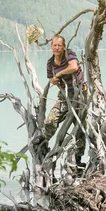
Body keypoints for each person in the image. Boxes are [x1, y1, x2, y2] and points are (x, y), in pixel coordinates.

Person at [43, 34, 87, 168]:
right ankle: (44, 148)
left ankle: (77, 160)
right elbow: (51, 79)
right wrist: (53, 79)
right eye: (54, 45)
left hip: (79, 97)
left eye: (59, 45)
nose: (57, 48)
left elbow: (74, 67)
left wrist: (59, 74)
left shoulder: (69, 54)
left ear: (64, 47)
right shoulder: (50, 63)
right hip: (64, 96)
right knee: (50, 121)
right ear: (51, 47)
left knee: (80, 128)